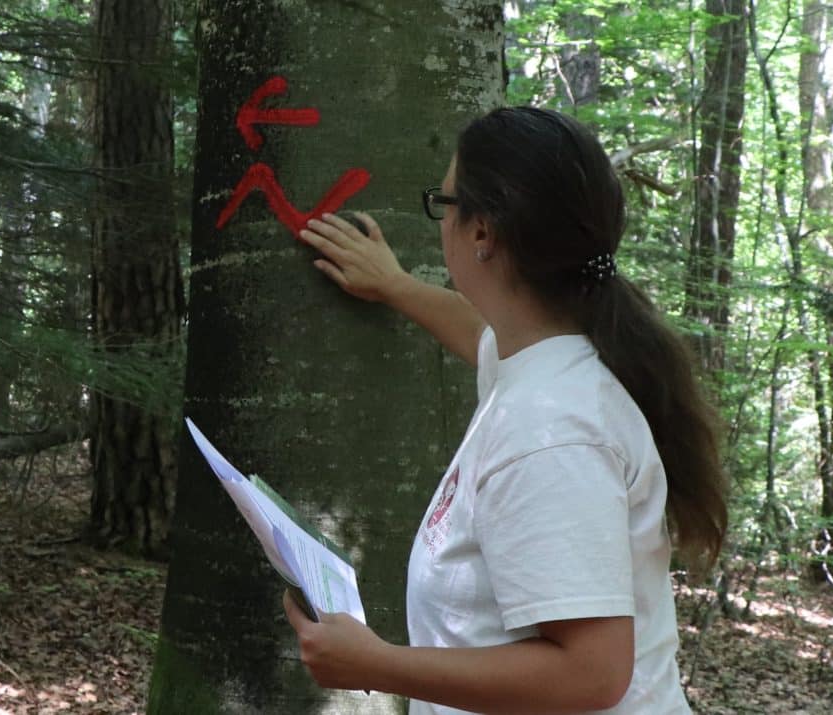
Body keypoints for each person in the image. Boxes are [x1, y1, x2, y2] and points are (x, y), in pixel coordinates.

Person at [282, 106, 728, 714]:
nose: (440, 222)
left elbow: (592, 673)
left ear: (483, 232)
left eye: (443, 206)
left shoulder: (553, 432)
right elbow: (482, 337)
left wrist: (373, 663)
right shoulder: (547, 363)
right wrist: (395, 284)